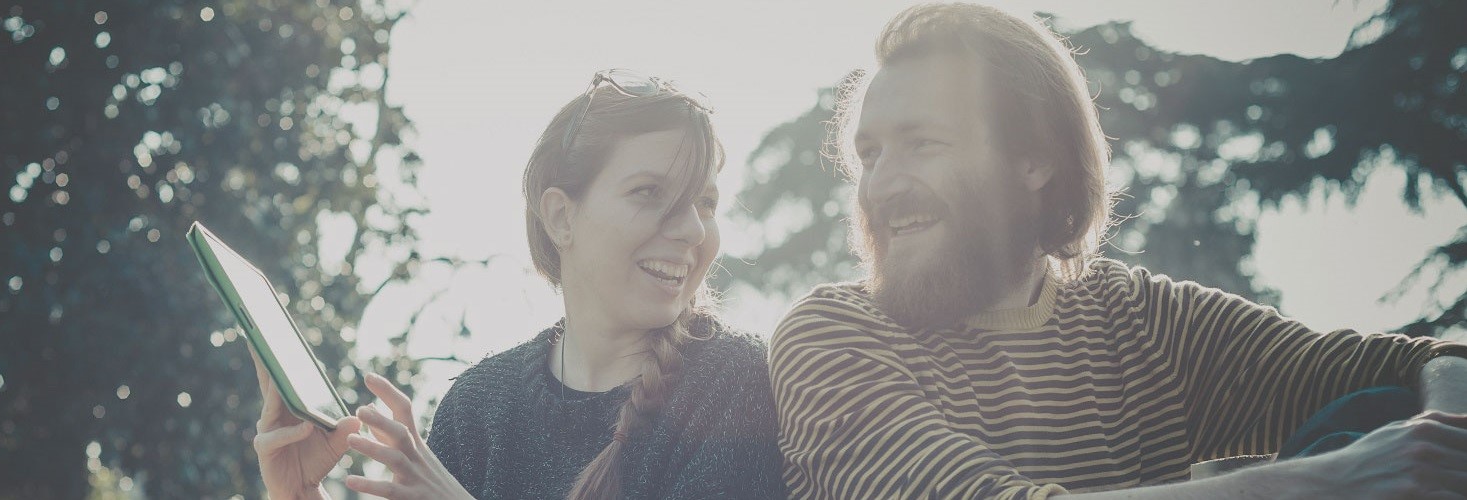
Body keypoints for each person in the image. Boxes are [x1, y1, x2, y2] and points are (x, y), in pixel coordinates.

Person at [769, 3, 1467, 498]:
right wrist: (1322, 482)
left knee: (1373, 409)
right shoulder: (832, 334)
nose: (881, 184)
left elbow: (1428, 361)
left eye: (921, 144)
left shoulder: (1139, 317)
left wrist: (1436, 443)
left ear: (1034, 160)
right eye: (868, 154)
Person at [249, 69, 786, 499]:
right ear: (560, 218)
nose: (693, 228)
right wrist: (300, 496)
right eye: (650, 192)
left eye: (706, 203)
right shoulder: (478, 407)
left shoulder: (737, 382)